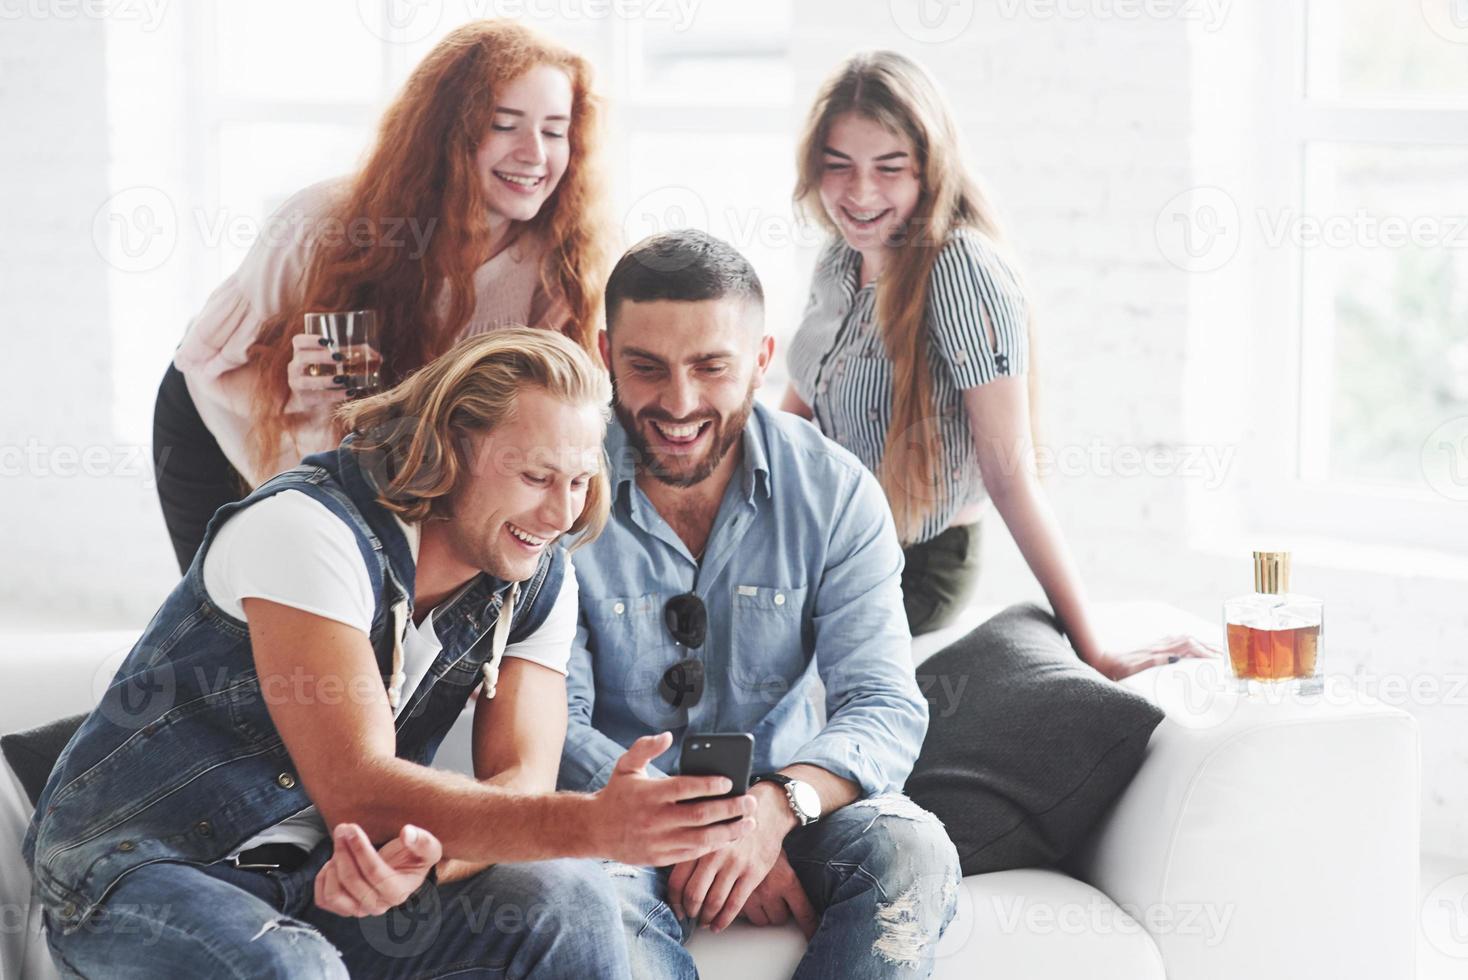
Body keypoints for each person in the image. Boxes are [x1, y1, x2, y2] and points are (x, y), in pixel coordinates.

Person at [26, 330, 755, 978]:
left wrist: (422, 862)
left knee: (569, 899)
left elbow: (522, 777)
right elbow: (358, 786)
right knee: (294, 969)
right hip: (141, 869)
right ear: (451, 450)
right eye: (535, 477)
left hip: (325, 880)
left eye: (577, 481)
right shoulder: (307, 531)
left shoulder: (535, 575)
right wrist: (594, 824)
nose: (561, 514)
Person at [563, 230, 960, 979]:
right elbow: (554, 719)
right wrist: (701, 830)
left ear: (762, 359)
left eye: (711, 367)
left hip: (792, 806)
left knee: (913, 851)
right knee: (582, 903)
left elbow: (881, 704)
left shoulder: (837, 494)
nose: (677, 404)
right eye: (646, 368)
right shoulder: (558, 491)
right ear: (606, 353)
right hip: (615, 819)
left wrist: (773, 811)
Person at [783, 51, 1217, 678]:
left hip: (918, 565)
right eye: (839, 166)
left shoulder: (959, 268)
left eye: (889, 168)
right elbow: (796, 418)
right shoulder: (838, 259)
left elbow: (1011, 475)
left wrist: (1093, 649)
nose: (860, 192)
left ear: (929, 172)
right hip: (833, 545)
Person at [154, 18, 612, 572]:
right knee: (233, 625)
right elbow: (214, 361)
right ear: (446, 132)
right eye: (504, 125)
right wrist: (293, 383)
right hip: (223, 427)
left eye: (554, 131)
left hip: (374, 466)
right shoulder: (325, 222)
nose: (534, 153)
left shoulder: (566, 261)